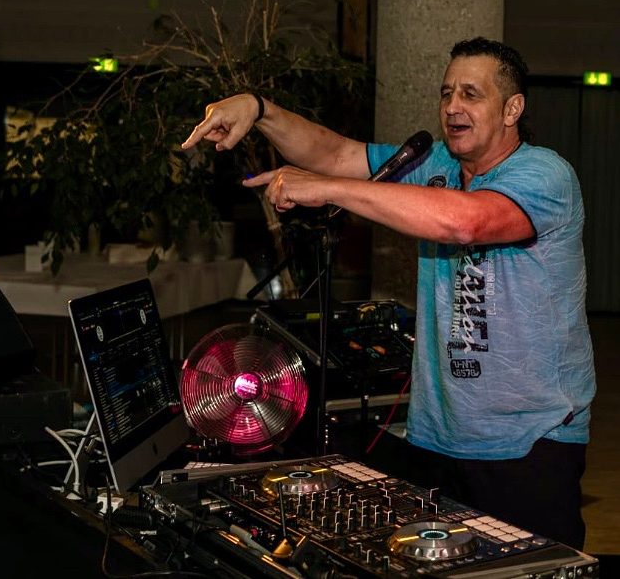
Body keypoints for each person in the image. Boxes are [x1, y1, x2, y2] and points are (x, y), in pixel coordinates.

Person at [181, 36, 596, 550]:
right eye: (446, 93)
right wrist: (260, 109)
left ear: (512, 109)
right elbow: (335, 153)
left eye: (471, 94)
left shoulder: (545, 174)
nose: (452, 107)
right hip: (438, 434)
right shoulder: (434, 164)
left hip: (529, 441)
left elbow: (466, 223)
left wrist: (326, 188)